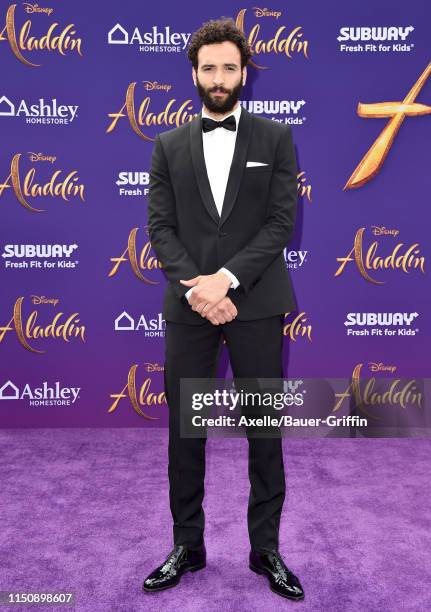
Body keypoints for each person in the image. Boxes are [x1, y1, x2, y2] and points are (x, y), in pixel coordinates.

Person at [143, 17, 304, 601]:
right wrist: (199, 290)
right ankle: (187, 544)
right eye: (208, 67)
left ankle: (267, 550)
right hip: (190, 309)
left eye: (229, 67)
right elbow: (160, 228)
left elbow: (281, 222)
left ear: (244, 73)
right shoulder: (166, 145)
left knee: (265, 432)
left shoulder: (275, 138)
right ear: (194, 73)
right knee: (186, 435)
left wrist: (227, 281)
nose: (218, 77)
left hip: (257, 304)